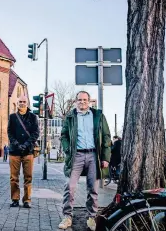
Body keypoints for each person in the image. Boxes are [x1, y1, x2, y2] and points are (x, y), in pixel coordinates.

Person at [58, 91, 111, 230]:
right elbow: (63, 136)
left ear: (89, 101)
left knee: (93, 189)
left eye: (85, 100)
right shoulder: (70, 116)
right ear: (75, 101)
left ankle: (91, 217)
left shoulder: (98, 115)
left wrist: (106, 157)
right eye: (80, 100)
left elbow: (106, 136)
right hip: (77, 156)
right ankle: (67, 216)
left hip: (94, 155)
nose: (82, 102)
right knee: (70, 186)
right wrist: (68, 150)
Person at [7, 95, 39, 208]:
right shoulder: (12, 117)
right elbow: (9, 132)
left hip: (28, 152)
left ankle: (27, 200)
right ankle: (15, 199)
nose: (22, 103)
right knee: (14, 177)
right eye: (20, 101)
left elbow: (36, 133)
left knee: (28, 177)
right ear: (17, 103)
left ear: (27, 103)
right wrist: (16, 144)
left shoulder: (33, 117)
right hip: (14, 152)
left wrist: (26, 144)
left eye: (24, 101)